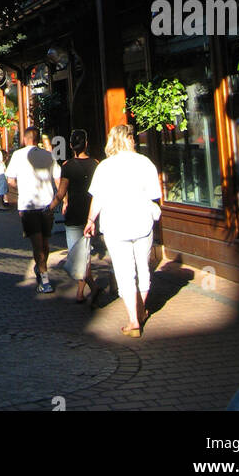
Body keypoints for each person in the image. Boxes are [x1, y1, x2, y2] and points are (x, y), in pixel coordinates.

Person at [84, 123, 161, 336]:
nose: (135, 140)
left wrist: (91, 220)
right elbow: (155, 195)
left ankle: (134, 320)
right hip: (142, 221)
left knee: (124, 272)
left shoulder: (105, 167)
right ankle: (141, 308)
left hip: (115, 224)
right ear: (128, 140)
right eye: (132, 137)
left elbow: (97, 198)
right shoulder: (145, 163)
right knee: (143, 267)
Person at [5, 126, 61, 293]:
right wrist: (61, 199)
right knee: (45, 242)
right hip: (47, 205)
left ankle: (43, 278)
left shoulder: (17, 155)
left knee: (38, 245)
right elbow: (58, 178)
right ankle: (43, 273)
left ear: (25, 139)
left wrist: (20, 188)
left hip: (29, 206)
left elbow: (10, 180)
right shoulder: (48, 155)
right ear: (36, 139)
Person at [53, 129, 98, 301]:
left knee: (76, 254)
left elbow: (61, 192)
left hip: (73, 215)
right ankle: (82, 291)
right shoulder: (96, 163)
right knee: (84, 254)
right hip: (90, 214)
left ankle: (89, 289)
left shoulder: (67, 166)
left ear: (71, 145)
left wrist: (52, 207)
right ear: (86, 143)